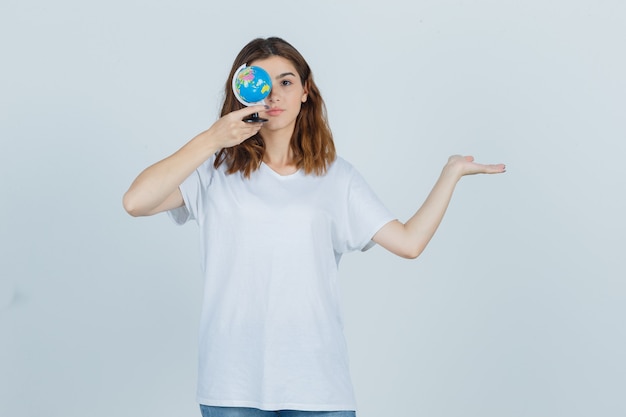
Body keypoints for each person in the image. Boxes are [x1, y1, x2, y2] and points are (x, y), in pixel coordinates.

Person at [123, 37, 505, 417]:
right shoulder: (215, 171)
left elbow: (409, 242)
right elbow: (136, 202)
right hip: (231, 386)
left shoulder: (336, 177)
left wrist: (451, 173)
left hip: (317, 389)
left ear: (306, 91)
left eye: (286, 82)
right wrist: (212, 139)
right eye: (262, 82)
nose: (273, 95)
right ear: (241, 90)